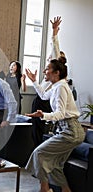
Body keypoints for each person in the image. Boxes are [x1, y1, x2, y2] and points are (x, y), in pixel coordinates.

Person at [25, 59, 85, 192]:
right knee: (56, 164)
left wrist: (43, 115)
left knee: (39, 153)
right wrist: (34, 81)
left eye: (47, 69)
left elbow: (60, 114)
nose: (44, 71)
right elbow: (43, 95)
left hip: (70, 131)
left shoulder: (61, 87)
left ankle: (44, 189)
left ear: (57, 72)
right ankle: (65, 190)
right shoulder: (57, 86)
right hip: (68, 130)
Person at [31, 16, 65, 147]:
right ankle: (36, 151)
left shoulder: (57, 75)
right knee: (35, 131)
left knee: (39, 131)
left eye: (52, 58)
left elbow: (55, 49)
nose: (49, 58)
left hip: (43, 103)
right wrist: (34, 81)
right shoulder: (48, 73)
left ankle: (39, 151)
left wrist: (54, 33)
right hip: (41, 99)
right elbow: (43, 93)